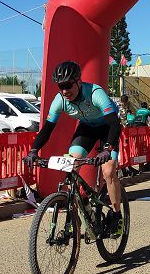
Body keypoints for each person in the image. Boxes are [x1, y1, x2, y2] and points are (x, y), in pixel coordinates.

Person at [24, 61, 125, 236]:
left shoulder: (95, 93)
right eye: (60, 87)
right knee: (71, 163)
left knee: (108, 171)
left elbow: (114, 123)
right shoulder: (60, 100)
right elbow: (47, 129)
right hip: (86, 129)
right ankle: (82, 206)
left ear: (78, 81)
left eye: (68, 85)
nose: (64, 91)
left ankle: (117, 216)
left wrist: (107, 148)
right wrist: (34, 150)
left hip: (108, 128)